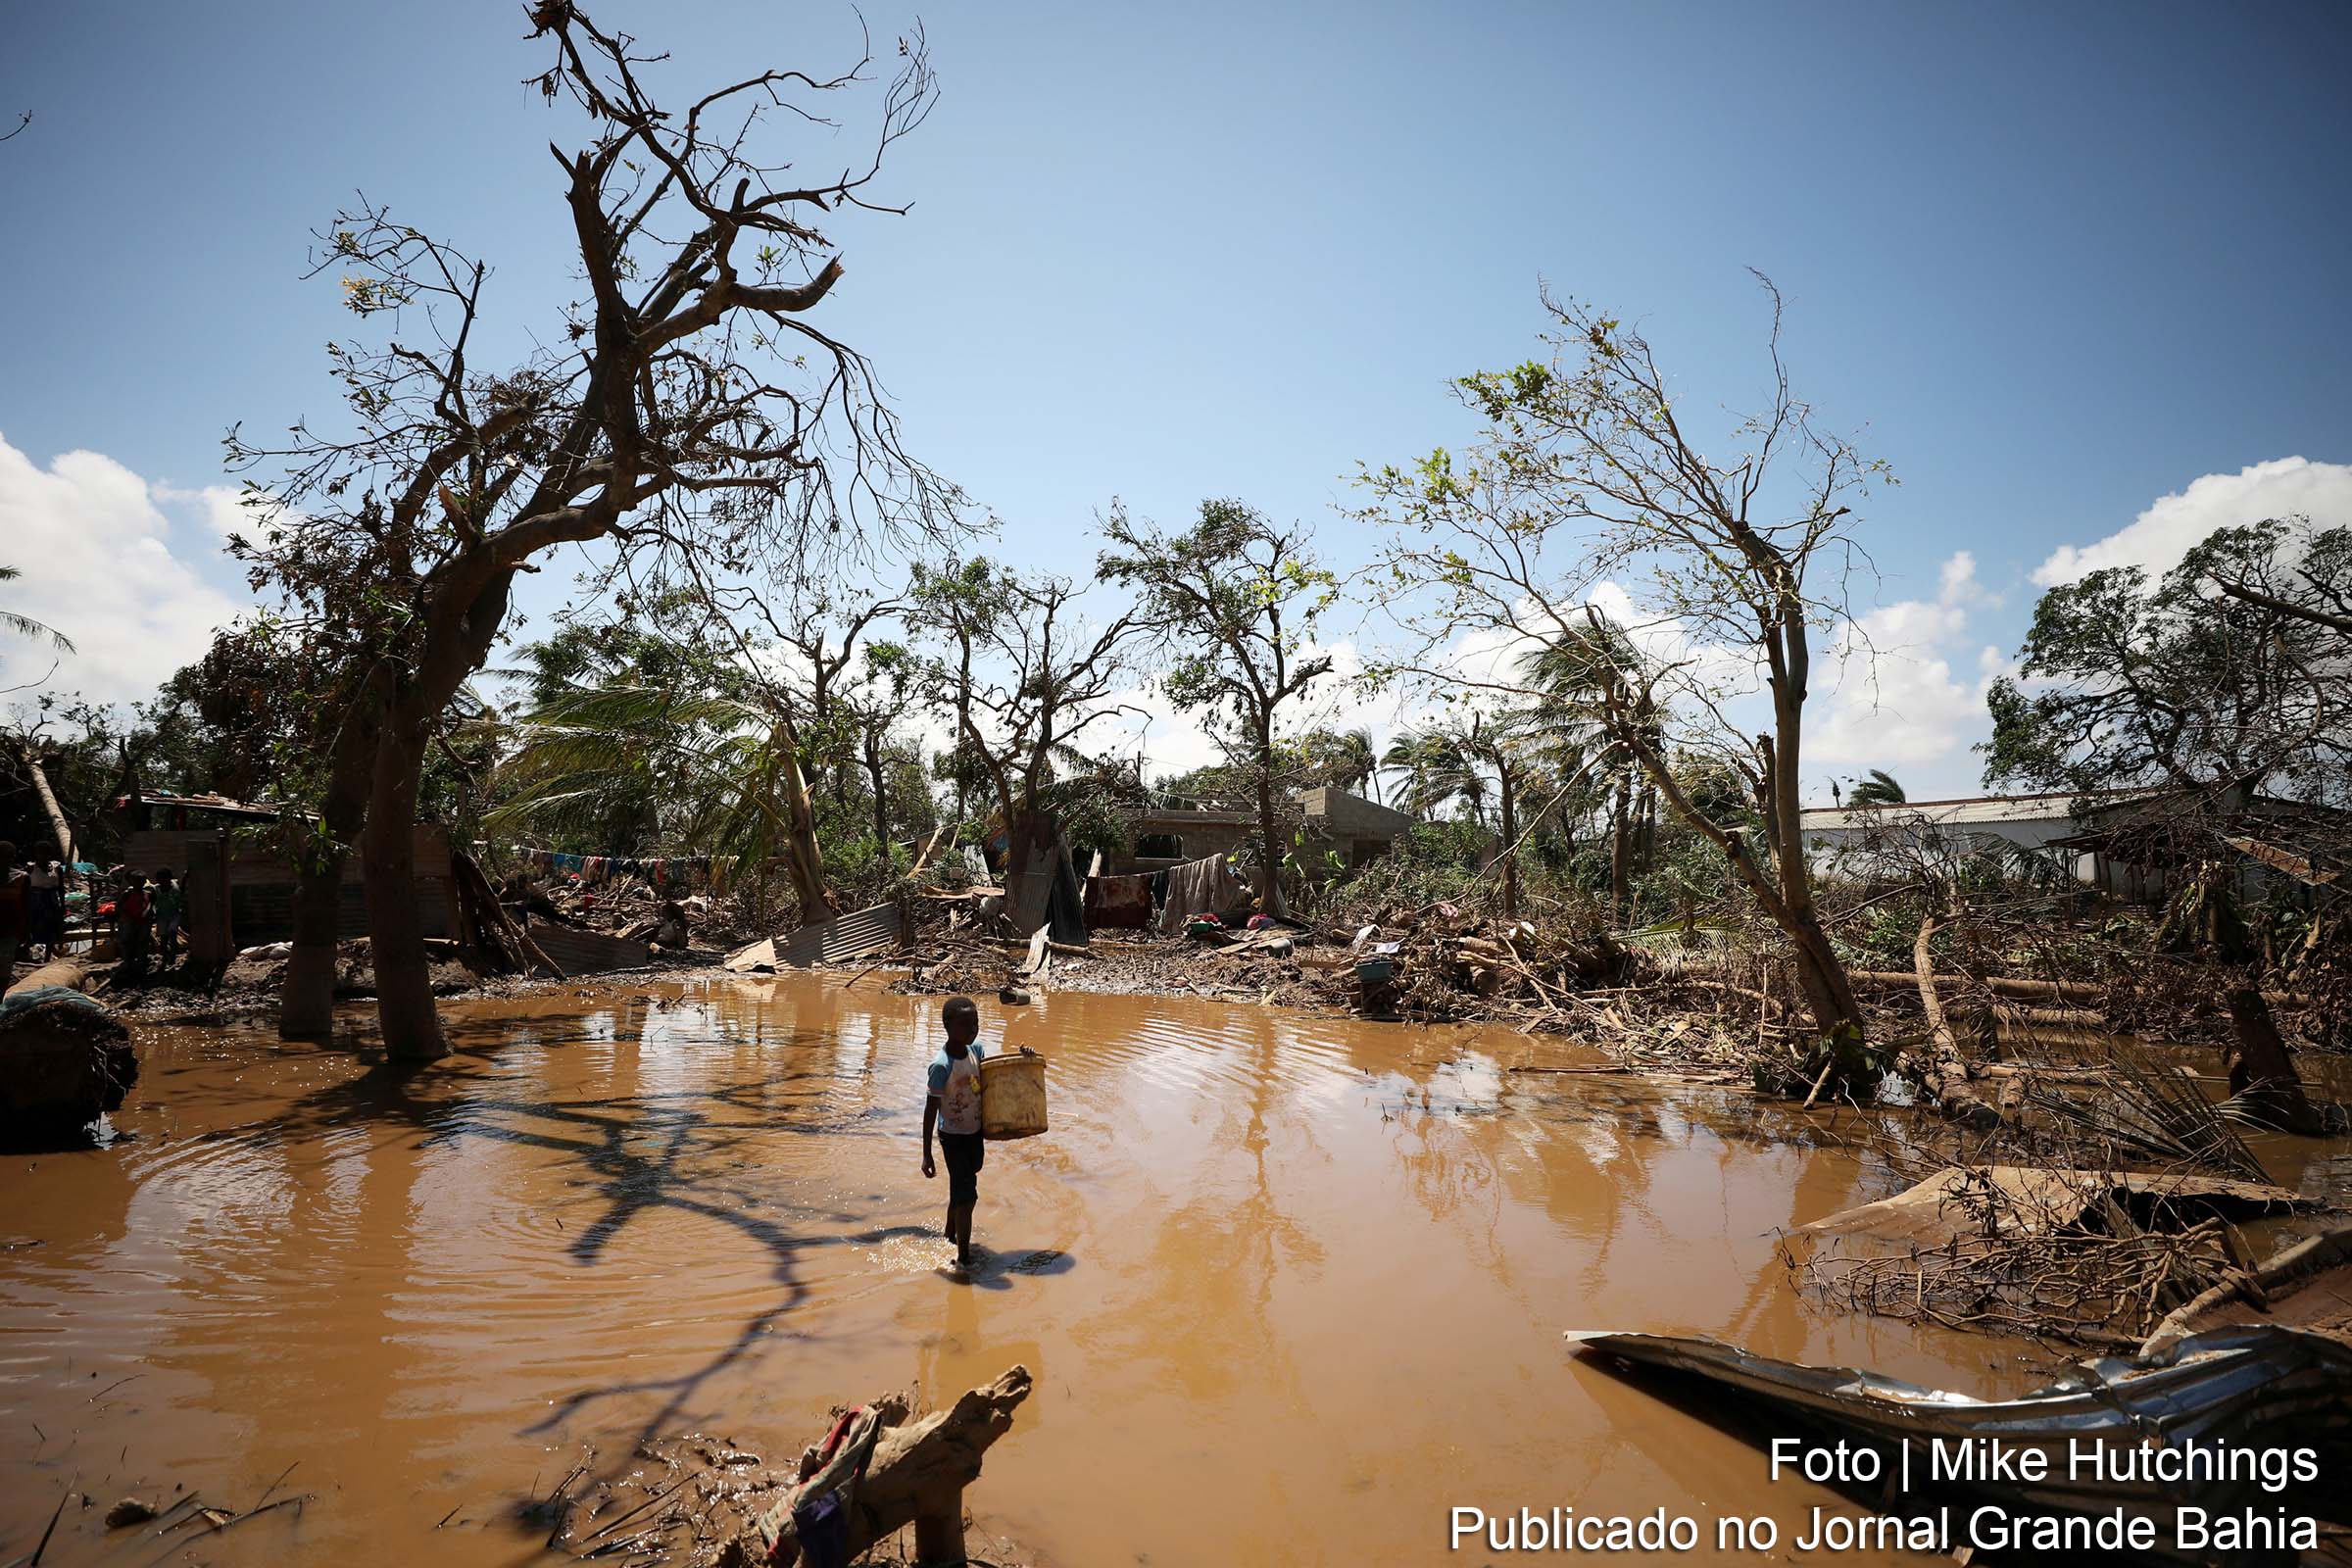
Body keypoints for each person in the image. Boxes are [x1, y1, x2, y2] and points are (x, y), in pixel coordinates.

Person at [920, 995, 988, 1270]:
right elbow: (930, 1111)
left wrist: (1025, 1054)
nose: (972, 1029)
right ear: (947, 1026)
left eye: (976, 1022)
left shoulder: (977, 1051)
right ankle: (964, 1259)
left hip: (974, 1133)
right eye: (965, 1024)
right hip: (953, 1137)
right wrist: (927, 1154)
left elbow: (993, 1080)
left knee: (964, 1183)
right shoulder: (941, 1065)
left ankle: (949, 1233)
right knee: (968, 1196)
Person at [24, 848, 64, 961]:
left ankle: (47, 957)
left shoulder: (57, 868)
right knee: (33, 927)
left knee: (51, 928)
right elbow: (25, 886)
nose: (43, 857)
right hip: (35, 901)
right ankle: (28, 954)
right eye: (41, 854)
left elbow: (61, 888)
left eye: (46, 854)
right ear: (36, 855)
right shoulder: (30, 868)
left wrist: (63, 904)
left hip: (51, 900)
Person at [0, 842, 25, 984]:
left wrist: (26, 931)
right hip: (10, 928)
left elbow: (26, 906)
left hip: (11, 929)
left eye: (7, 857)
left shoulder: (21, 878)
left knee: (4, 970)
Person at [116, 870, 152, 969]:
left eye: (141, 881)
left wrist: (147, 913)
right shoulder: (127, 894)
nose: (139, 884)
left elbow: (150, 905)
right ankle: (128, 962)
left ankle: (141, 962)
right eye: (136, 881)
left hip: (142, 922)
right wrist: (127, 917)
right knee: (128, 942)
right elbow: (118, 907)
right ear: (131, 882)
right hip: (129, 922)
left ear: (144, 882)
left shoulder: (147, 894)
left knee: (142, 941)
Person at [152, 867, 185, 965]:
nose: (161, 882)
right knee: (163, 938)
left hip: (174, 914)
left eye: (164, 879)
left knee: (172, 935)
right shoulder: (156, 889)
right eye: (159, 879)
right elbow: (153, 900)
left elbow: (181, 892)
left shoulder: (175, 887)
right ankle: (165, 957)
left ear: (169, 878)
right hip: (161, 915)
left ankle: (172, 957)